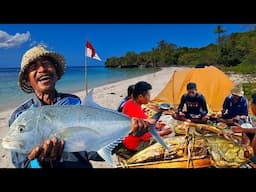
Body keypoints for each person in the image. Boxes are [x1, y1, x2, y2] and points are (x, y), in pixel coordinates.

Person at [9, 45, 151, 168]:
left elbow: (93, 152)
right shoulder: (20, 116)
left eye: (46, 64)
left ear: (55, 72)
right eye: (34, 66)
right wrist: (41, 162)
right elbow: (23, 165)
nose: (42, 69)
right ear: (27, 78)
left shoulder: (73, 102)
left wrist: (128, 135)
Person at [121, 81, 172, 153]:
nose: (149, 97)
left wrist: (156, 124)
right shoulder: (134, 109)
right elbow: (145, 137)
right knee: (168, 143)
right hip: (134, 144)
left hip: (129, 139)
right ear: (140, 97)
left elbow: (145, 119)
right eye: (148, 95)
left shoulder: (130, 103)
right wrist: (164, 132)